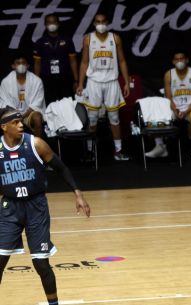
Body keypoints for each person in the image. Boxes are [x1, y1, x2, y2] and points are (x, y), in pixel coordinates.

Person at [0, 107, 91, 305]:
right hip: (10, 209)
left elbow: (61, 168)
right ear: (4, 127)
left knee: (41, 263)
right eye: (15, 123)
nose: (21, 125)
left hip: (36, 207)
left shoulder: (36, 144)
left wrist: (78, 194)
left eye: (21, 121)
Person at [76, 13, 130, 161]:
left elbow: (122, 61)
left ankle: (118, 151)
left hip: (112, 81)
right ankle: (89, 151)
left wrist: (125, 81)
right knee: (92, 118)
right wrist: (81, 83)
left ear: (107, 22)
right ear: (94, 23)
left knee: (114, 117)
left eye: (103, 21)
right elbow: (84, 62)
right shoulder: (88, 38)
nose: (101, 24)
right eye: (98, 22)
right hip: (94, 82)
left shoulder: (115, 38)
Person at [145, 50, 191, 159]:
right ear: (173, 61)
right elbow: (168, 97)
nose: (179, 61)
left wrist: (186, 111)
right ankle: (160, 146)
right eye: (177, 59)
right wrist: (175, 109)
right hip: (174, 109)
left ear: (186, 60)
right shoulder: (169, 74)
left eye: (182, 59)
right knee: (154, 112)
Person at [33, 14, 79, 105]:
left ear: (58, 24)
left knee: (68, 105)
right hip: (47, 79)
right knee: (50, 105)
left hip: (65, 78)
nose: (51, 24)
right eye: (49, 22)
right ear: (45, 25)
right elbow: (37, 63)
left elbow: (73, 61)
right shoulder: (40, 42)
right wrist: (36, 82)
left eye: (54, 22)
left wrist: (76, 80)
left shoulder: (67, 40)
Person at [0, 54, 45, 137]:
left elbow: (37, 103)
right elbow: (4, 102)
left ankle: (36, 146)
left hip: (29, 114)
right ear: (13, 66)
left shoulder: (37, 81)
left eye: (23, 63)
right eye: (18, 63)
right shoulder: (5, 82)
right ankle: (8, 147)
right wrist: (15, 115)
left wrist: (23, 116)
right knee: (4, 115)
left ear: (27, 66)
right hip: (12, 112)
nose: (21, 65)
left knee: (37, 118)